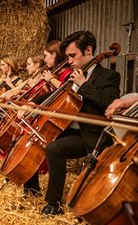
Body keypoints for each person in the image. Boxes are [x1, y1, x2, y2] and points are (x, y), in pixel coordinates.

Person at [25, 31, 120, 215]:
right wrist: (33, 103)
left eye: (72, 55)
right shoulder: (75, 75)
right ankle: (31, 190)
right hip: (69, 129)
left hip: (91, 135)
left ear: (89, 50)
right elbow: (57, 93)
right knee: (37, 137)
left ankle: (53, 204)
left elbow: (111, 101)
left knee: (54, 149)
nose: (69, 61)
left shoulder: (108, 76)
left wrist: (84, 84)